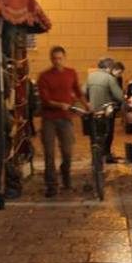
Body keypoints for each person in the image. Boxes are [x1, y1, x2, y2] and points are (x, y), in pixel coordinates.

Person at [37, 46, 89, 196]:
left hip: (66, 119)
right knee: (49, 152)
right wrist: (60, 105)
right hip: (49, 119)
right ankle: (52, 185)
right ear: (51, 59)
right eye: (54, 58)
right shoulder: (44, 77)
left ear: (64, 58)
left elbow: (78, 92)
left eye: (60, 58)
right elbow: (45, 100)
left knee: (67, 151)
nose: (57, 61)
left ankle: (65, 176)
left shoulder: (71, 73)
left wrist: (87, 106)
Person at [84, 57, 124, 163]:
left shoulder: (90, 76)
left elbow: (83, 91)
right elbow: (119, 96)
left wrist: (88, 103)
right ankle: (106, 156)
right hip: (106, 111)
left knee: (94, 136)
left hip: (92, 112)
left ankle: (95, 159)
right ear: (109, 67)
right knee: (107, 134)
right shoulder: (109, 78)